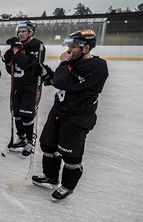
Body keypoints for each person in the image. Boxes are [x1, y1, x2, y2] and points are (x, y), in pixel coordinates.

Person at [32, 30, 108, 201]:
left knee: (70, 154)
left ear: (86, 47)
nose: (68, 51)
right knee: (48, 145)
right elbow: (59, 81)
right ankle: (51, 177)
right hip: (59, 111)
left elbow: (65, 82)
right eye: (68, 46)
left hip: (77, 116)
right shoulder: (72, 62)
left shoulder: (97, 66)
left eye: (73, 47)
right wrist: (47, 73)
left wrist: (62, 65)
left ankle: (67, 185)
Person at [3, 20, 46, 156]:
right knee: (16, 114)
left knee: (26, 115)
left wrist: (16, 52)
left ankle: (30, 142)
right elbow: (11, 70)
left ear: (31, 32)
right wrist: (9, 58)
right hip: (17, 85)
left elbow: (30, 65)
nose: (21, 34)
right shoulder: (16, 46)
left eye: (24, 31)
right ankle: (22, 138)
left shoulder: (37, 45)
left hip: (31, 86)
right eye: (19, 31)